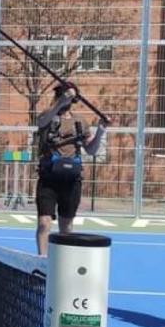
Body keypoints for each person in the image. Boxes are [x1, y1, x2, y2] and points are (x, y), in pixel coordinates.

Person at [33, 84, 106, 255]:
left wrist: (101, 132)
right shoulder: (48, 116)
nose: (64, 100)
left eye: (67, 97)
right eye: (60, 96)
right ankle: (43, 259)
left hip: (71, 180)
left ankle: (63, 260)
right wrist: (59, 103)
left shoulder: (80, 122)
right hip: (49, 179)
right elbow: (41, 122)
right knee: (44, 223)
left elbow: (91, 150)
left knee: (66, 227)